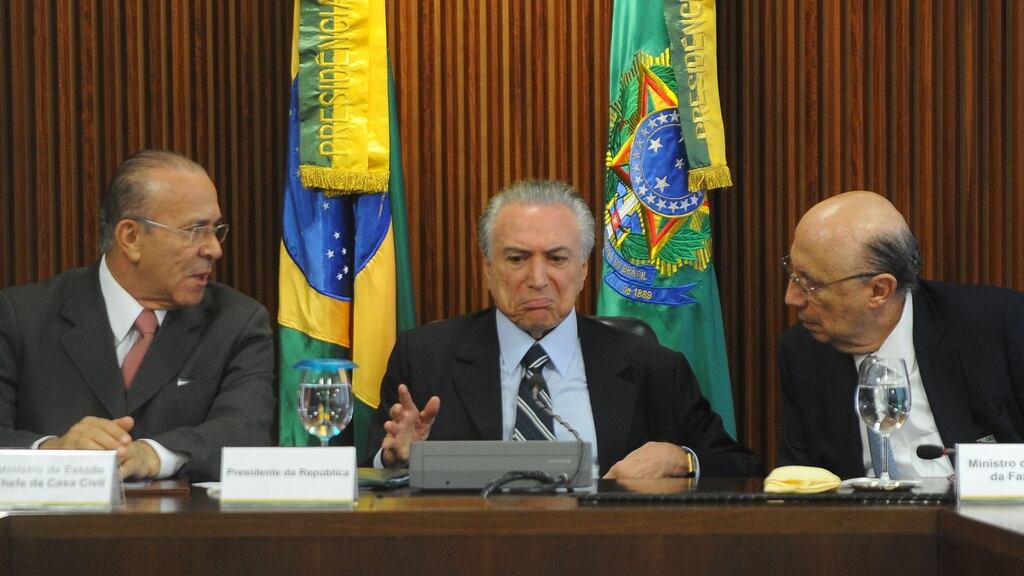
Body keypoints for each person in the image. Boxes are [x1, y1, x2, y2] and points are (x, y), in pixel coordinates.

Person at [364, 180, 759, 478]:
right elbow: (368, 472)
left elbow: (737, 467)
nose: (537, 278)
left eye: (556, 258)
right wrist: (394, 459)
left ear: (584, 268)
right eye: (517, 258)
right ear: (487, 268)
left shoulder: (651, 367)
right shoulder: (426, 358)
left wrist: (683, 459)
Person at [0, 149, 275, 481]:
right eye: (194, 231)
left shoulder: (237, 322)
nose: (214, 249)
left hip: (181, 530)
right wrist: (52, 452)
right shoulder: (21, 317)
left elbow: (245, 432)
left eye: (216, 229)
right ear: (130, 237)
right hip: (49, 530)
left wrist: (156, 455)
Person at [777, 190, 1024, 479]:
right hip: (866, 521)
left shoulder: (998, 326)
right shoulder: (802, 353)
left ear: (879, 290)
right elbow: (800, 482)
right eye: (792, 274)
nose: (791, 298)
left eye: (811, 285)